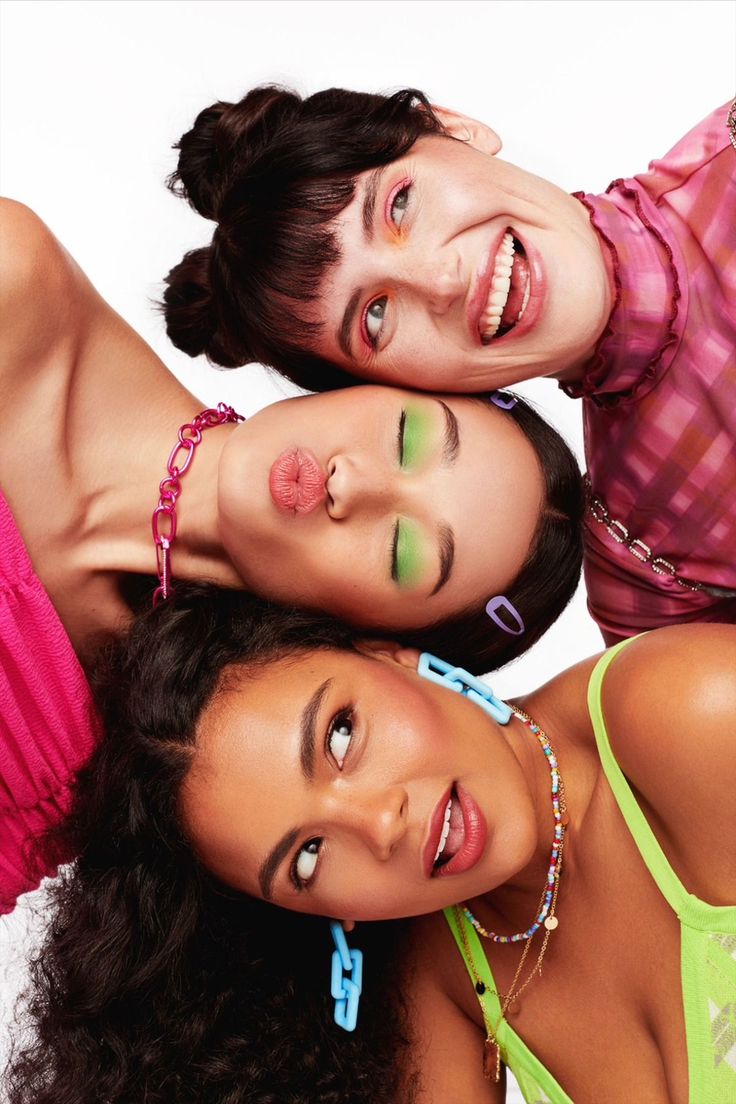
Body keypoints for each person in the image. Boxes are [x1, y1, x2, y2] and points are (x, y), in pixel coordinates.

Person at [0, 198, 583, 914]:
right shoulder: (13, 288)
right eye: (405, 437)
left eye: (403, 554)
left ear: (375, 641)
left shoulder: (174, 770)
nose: (355, 484)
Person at [7, 584, 735, 1103]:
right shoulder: (447, 976)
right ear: (330, 916)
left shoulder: (686, 712)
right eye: (308, 856)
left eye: (342, 735)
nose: (380, 826)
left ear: (389, 654)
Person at [163, 87, 736, 643]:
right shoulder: (644, 563)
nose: (443, 282)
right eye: (376, 317)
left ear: (453, 128)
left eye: (400, 204)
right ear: (390, 387)